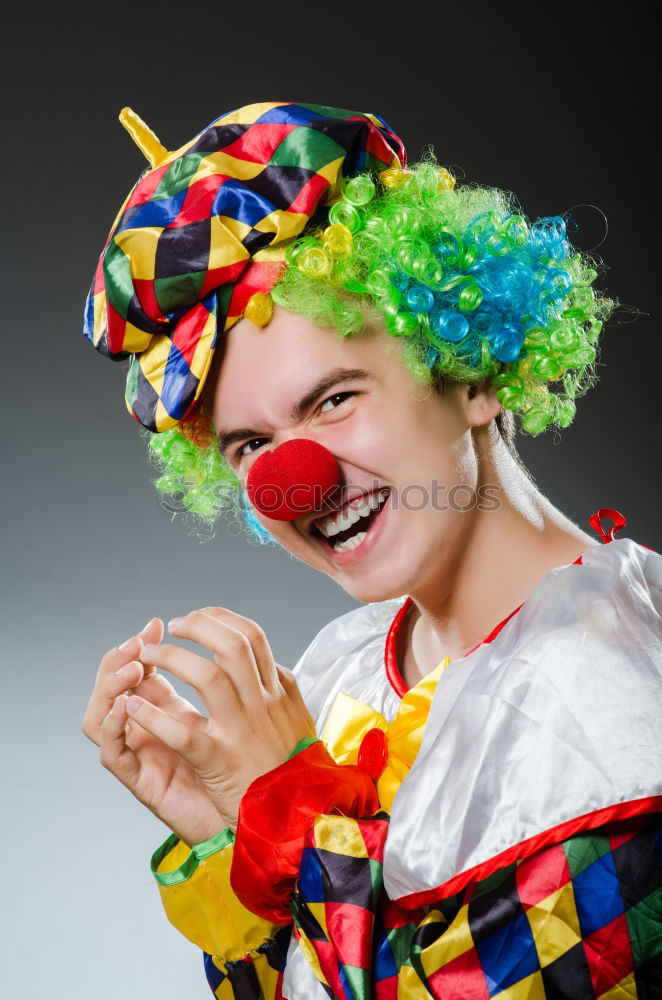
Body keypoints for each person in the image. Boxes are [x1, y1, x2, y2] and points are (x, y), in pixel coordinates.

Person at [81, 102, 662, 999]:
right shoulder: (347, 673)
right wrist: (230, 838)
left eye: (334, 400)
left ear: (468, 371)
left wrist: (287, 808)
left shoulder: (609, 722)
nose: (293, 481)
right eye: (249, 447)